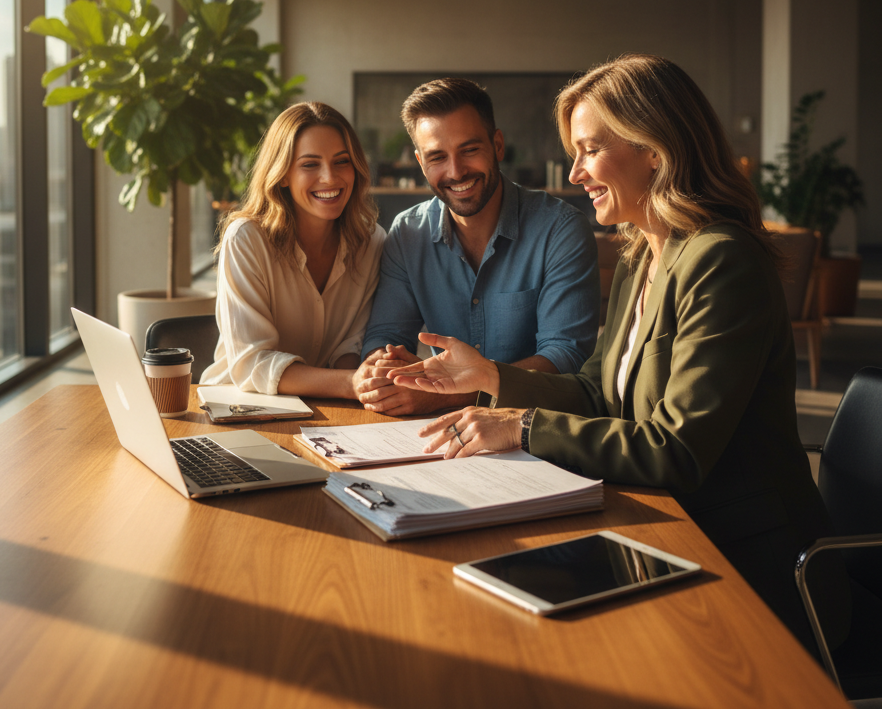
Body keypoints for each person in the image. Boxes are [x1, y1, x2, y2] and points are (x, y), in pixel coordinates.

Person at [386, 54, 848, 654]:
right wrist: (492, 377)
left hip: (749, 567)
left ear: (654, 148)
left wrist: (522, 427)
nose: (575, 173)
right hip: (663, 533)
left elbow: (675, 452)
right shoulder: (643, 254)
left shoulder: (720, 260)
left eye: (589, 150)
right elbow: (601, 392)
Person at [356, 77, 599, 417]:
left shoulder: (560, 230)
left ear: (497, 145)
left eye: (469, 150)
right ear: (420, 162)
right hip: (434, 436)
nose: (456, 172)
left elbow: (565, 357)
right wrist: (385, 368)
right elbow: (385, 335)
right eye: (437, 157)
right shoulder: (408, 233)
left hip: (538, 431)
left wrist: (447, 395)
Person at [200, 102, 386, 397]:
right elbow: (252, 364)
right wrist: (352, 383)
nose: (330, 177)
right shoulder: (247, 239)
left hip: (328, 410)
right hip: (240, 406)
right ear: (283, 173)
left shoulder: (371, 242)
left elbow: (351, 345)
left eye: (342, 161)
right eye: (310, 164)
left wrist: (366, 376)